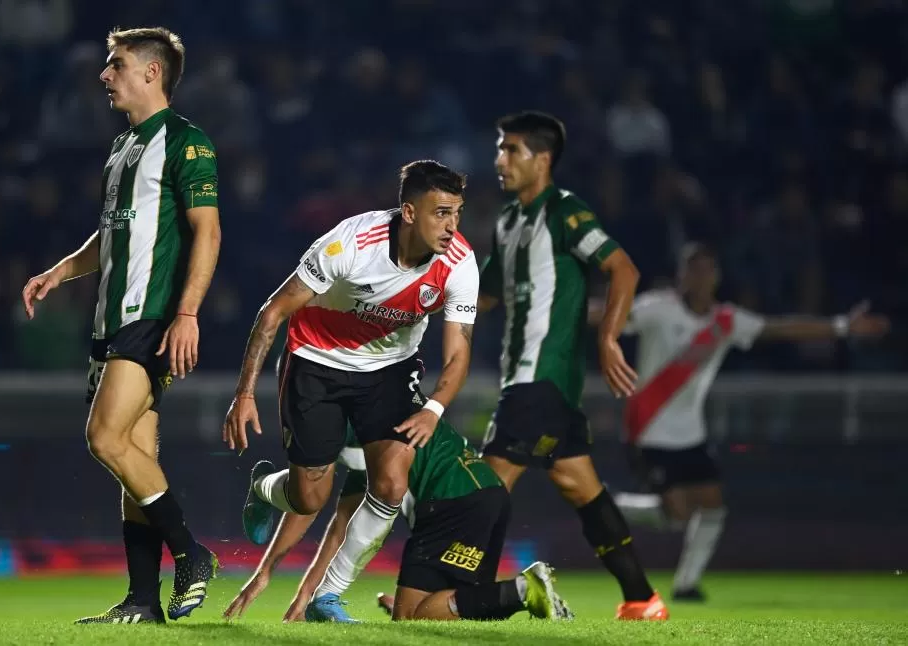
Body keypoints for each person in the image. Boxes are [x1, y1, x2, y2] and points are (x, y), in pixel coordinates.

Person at [20, 27, 222, 624]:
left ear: (152, 73)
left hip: (151, 317)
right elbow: (114, 236)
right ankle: (142, 601)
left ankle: (191, 552)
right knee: (135, 455)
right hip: (113, 322)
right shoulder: (122, 148)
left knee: (104, 438)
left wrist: (186, 314)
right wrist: (60, 271)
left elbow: (207, 231)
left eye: (116, 65)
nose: (105, 76)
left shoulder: (187, 143)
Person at [223, 160, 479, 621]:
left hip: (389, 370)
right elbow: (272, 313)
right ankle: (264, 488)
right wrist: (244, 393)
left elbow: (459, 352)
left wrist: (436, 408)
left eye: (457, 212)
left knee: (392, 484)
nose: (452, 225)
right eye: (440, 212)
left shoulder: (458, 262)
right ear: (408, 211)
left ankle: (328, 595)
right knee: (309, 498)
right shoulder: (349, 244)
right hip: (316, 362)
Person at [604, 242, 890, 601]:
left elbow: (780, 328)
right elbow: (610, 314)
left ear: (717, 276)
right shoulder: (658, 309)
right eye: (694, 268)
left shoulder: (726, 321)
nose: (701, 276)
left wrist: (842, 326)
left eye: (708, 269)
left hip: (691, 434)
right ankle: (608, 506)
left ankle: (686, 585)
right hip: (647, 429)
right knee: (676, 515)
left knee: (712, 505)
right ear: (683, 275)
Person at [477, 111, 667, 620]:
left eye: (510, 149)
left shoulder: (564, 212)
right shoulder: (507, 221)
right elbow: (485, 296)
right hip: (535, 383)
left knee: (484, 483)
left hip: (539, 380)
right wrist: (422, 294)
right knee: (579, 485)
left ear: (542, 159)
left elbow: (622, 267)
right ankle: (642, 599)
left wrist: (607, 339)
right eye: (500, 148)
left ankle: (453, 598)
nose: (500, 159)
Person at [224, 421, 572, 623]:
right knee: (466, 610)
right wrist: (304, 596)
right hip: (489, 495)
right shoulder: (383, 404)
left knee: (411, 619)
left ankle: (524, 589)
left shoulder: (353, 420)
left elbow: (323, 510)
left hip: (451, 501)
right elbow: (338, 522)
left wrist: (277, 580)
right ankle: (529, 596)